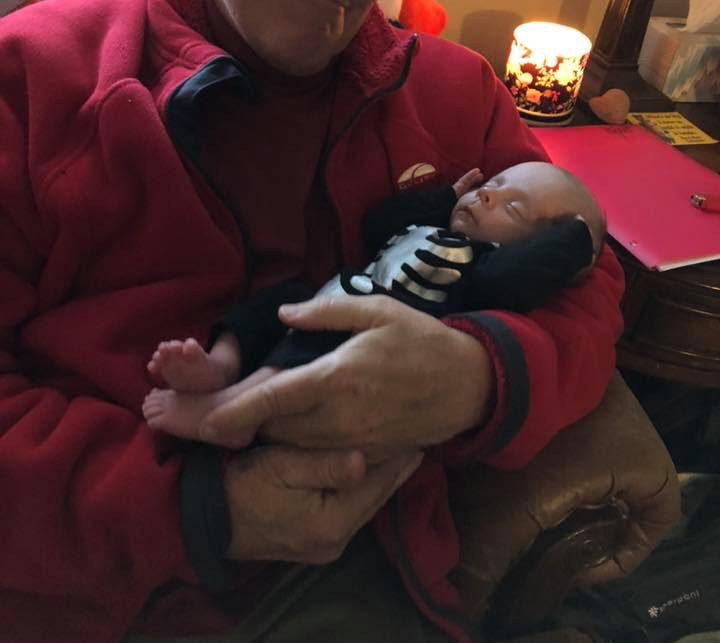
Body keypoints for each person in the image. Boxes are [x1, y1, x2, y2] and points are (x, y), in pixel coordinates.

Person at [0, 0, 625, 643]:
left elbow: (586, 273)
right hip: (69, 603)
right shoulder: (34, 73)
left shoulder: (454, 94)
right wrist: (201, 505)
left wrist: (481, 374)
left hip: (343, 593)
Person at [143, 161, 606, 444]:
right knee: (275, 302)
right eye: (496, 181)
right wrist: (446, 196)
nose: (488, 192)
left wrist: (571, 241)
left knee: (316, 347)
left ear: (535, 248)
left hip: (369, 333)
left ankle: (232, 411)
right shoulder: (431, 226)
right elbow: (376, 224)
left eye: (513, 208)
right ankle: (221, 365)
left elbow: (511, 283)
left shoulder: (485, 268)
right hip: (334, 293)